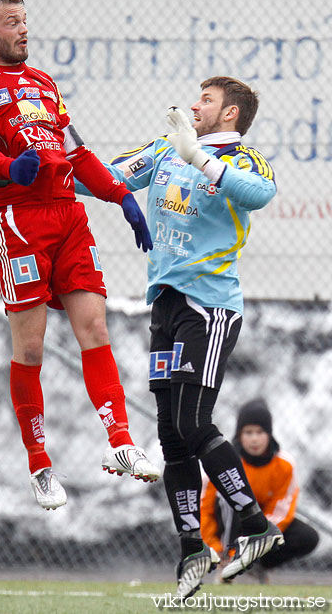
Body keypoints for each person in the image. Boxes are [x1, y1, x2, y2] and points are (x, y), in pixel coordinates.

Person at [0, 0, 158, 512]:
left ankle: (121, 444)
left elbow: (76, 150)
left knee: (95, 327)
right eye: (12, 23)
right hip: (19, 222)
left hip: (68, 217)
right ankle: (40, 465)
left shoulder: (44, 83)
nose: (23, 30)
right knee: (32, 349)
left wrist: (122, 199)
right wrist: (8, 169)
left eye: (25, 21)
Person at [77, 76, 281, 596]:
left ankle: (255, 527)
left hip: (208, 307)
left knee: (194, 422)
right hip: (166, 304)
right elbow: (102, 178)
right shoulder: (167, 147)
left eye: (207, 101)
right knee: (171, 434)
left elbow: (260, 194)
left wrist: (199, 156)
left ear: (230, 114)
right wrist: (52, 151)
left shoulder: (243, 160)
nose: (195, 105)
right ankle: (193, 548)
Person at [201, 398, 319, 581]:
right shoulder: (224, 463)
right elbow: (205, 509)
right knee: (231, 500)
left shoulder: (284, 465)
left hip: (260, 528)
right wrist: (215, 548)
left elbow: (281, 511)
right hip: (227, 528)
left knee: (307, 537)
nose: (254, 439)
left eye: (260, 432)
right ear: (239, 435)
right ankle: (227, 566)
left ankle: (258, 566)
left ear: (269, 434)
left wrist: (257, 545)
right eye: (248, 432)